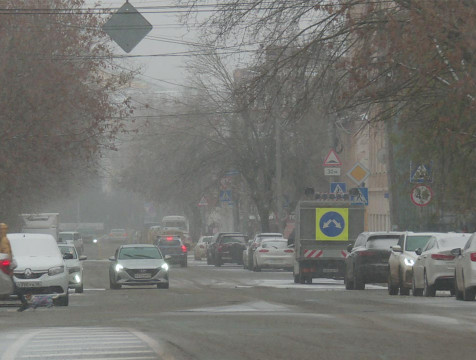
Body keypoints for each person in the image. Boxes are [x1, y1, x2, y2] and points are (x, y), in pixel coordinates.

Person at [0, 223, 29, 312]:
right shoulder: (4, 239)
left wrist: (9, 268)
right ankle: (24, 302)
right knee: (12, 286)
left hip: (5, 266)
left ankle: (25, 303)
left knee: (12, 286)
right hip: (6, 266)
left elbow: (7, 254)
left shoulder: (3, 240)